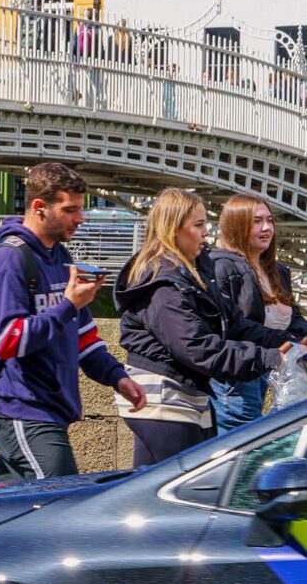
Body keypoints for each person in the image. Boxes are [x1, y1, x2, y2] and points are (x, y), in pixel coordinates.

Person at [0, 162, 145, 482]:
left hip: (54, 410)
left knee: (12, 514)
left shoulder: (61, 258)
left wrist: (117, 378)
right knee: (62, 505)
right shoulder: (8, 259)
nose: (80, 218)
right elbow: (7, 341)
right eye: (70, 210)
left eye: (80, 209)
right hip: (25, 411)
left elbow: (84, 338)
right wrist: (69, 305)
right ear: (40, 208)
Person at [113, 188, 291, 467]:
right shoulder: (161, 282)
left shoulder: (193, 271)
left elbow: (235, 324)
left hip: (182, 397)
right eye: (198, 225)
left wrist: (289, 341)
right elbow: (196, 347)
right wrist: (268, 358)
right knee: (177, 492)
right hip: (163, 399)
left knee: (149, 495)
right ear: (173, 228)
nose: (206, 232)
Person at [208, 194, 307, 429]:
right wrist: (285, 342)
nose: (266, 228)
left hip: (269, 373)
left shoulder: (277, 271)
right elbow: (232, 325)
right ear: (236, 225)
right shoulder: (221, 266)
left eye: (270, 220)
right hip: (235, 379)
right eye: (256, 221)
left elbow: (292, 320)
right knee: (238, 447)